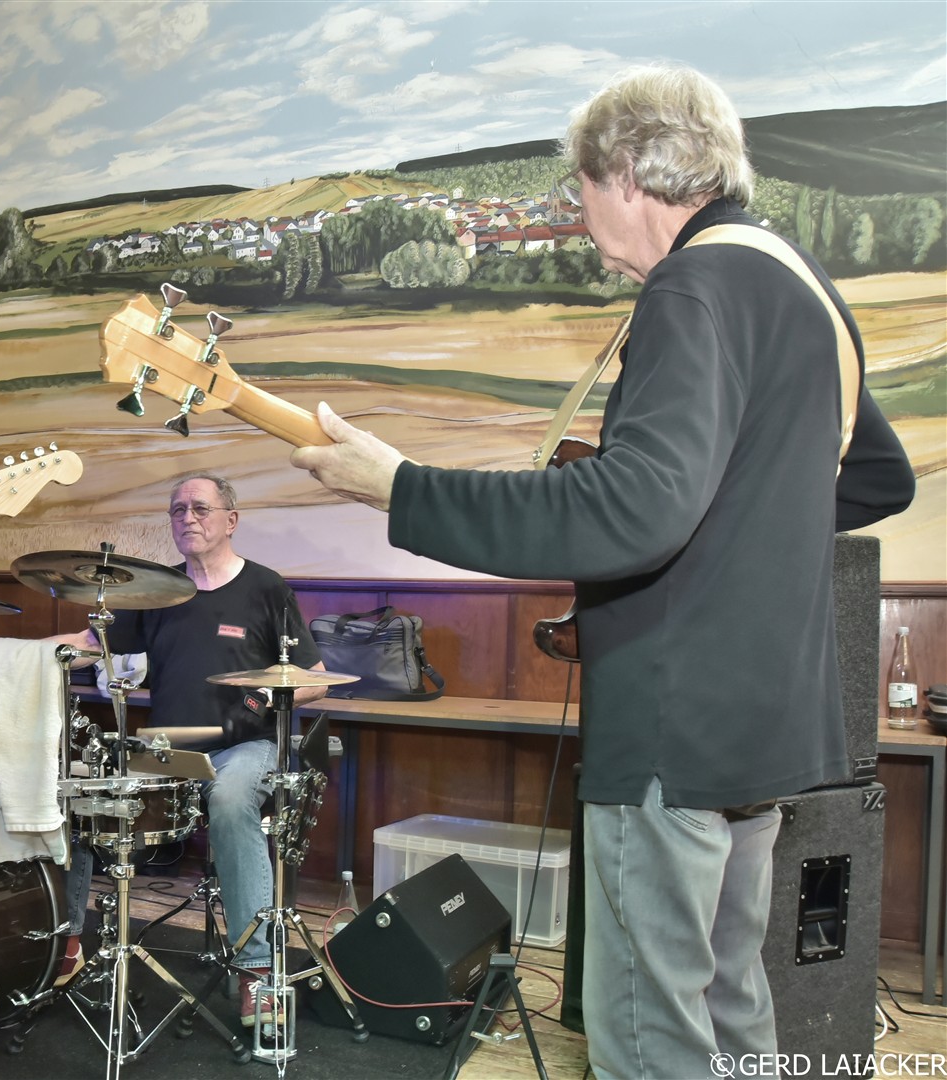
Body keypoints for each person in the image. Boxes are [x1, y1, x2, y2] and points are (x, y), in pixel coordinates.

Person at [291, 65, 914, 1079]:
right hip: (765, 722)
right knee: (733, 1004)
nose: (579, 218)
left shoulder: (693, 285)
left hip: (675, 720)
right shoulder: (799, 284)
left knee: (650, 1036)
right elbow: (878, 475)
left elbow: (632, 511)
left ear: (626, 174)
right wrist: (743, 517)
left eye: (580, 190)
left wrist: (399, 487)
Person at [52, 473, 327, 1028]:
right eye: (178, 510)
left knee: (230, 800)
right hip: (166, 750)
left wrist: (265, 696)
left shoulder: (266, 588)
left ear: (231, 520)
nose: (187, 518)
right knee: (83, 789)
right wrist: (8, 653)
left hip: (245, 747)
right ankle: (68, 945)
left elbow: (316, 678)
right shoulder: (160, 591)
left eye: (200, 508)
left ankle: (256, 972)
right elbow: (88, 645)